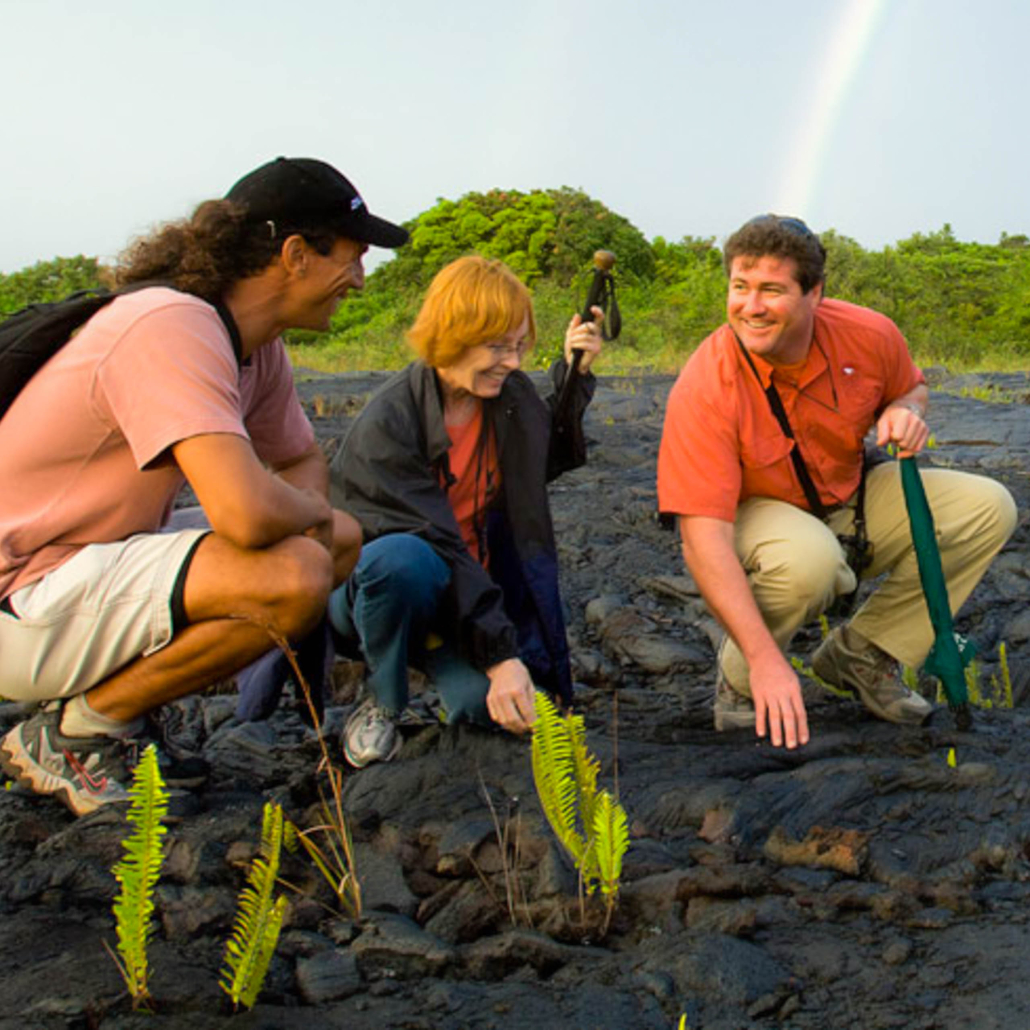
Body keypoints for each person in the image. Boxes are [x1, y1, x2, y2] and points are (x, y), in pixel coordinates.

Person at [0, 157, 408, 814]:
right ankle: (79, 730)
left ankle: (113, 717)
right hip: (21, 596)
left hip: (81, 571)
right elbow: (245, 512)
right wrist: (296, 520)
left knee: (336, 541)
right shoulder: (171, 324)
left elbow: (301, 462)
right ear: (296, 254)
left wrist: (303, 518)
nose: (359, 280)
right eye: (352, 257)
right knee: (291, 575)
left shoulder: (254, 343)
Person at [657, 214, 1017, 750]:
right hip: (759, 511)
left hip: (849, 495)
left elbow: (911, 389)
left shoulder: (869, 333)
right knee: (809, 562)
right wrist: (764, 663)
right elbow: (701, 537)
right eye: (740, 287)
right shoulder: (707, 383)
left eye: (772, 290)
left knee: (988, 506)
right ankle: (738, 684)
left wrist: (903, 410)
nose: (750, 306)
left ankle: (865, 653)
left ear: (815, 293)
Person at [327, 255, 603, 767]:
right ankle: (383, 701)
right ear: (451, 337)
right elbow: (437, 542)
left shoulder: (508, 397)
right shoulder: (388, 423)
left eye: (520, 346)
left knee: (498, 714)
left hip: (463, 602)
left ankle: (451, 672)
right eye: (498, 347)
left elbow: (545, 459)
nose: (514, 362)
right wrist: (501, 657)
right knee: (400, 560)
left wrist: (573, 375)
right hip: (377, 599)